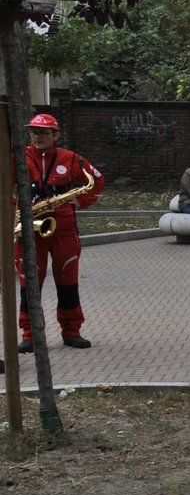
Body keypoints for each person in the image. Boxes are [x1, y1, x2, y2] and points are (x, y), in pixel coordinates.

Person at [17, 113, 104, 351]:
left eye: (44, 132)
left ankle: (71, 332)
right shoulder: (19, 157)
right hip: (29, 228)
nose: (38, 136)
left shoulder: (72, 159)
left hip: (63, 229)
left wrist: (82, 201)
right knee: (30, 284)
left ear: (56, 135)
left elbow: (97, 180)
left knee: (67, 281)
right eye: (34, 132)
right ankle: (30, 335)